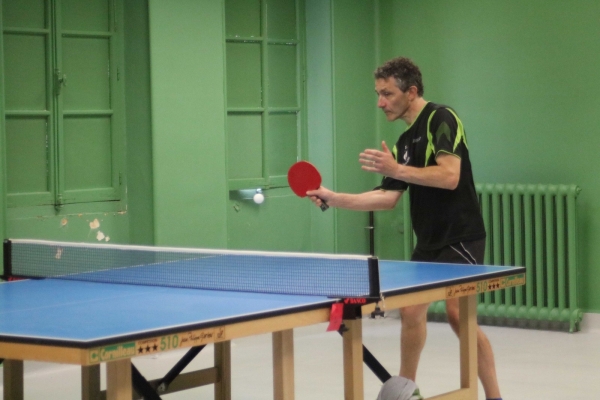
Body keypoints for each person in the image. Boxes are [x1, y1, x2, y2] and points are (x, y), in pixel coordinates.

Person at [306, 57, 502, 400]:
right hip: (427, 240)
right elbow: (387, 198)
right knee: (411, 311)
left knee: (458, 314)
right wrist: (334, 198)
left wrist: (399, 169)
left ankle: (494, 396)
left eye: (387, 93)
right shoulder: (405, 141)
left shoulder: (442, 118)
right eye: (378, 94)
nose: (381, 101)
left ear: (411, 92)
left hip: (461, 236)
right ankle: (406, 389)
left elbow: (449, 176)